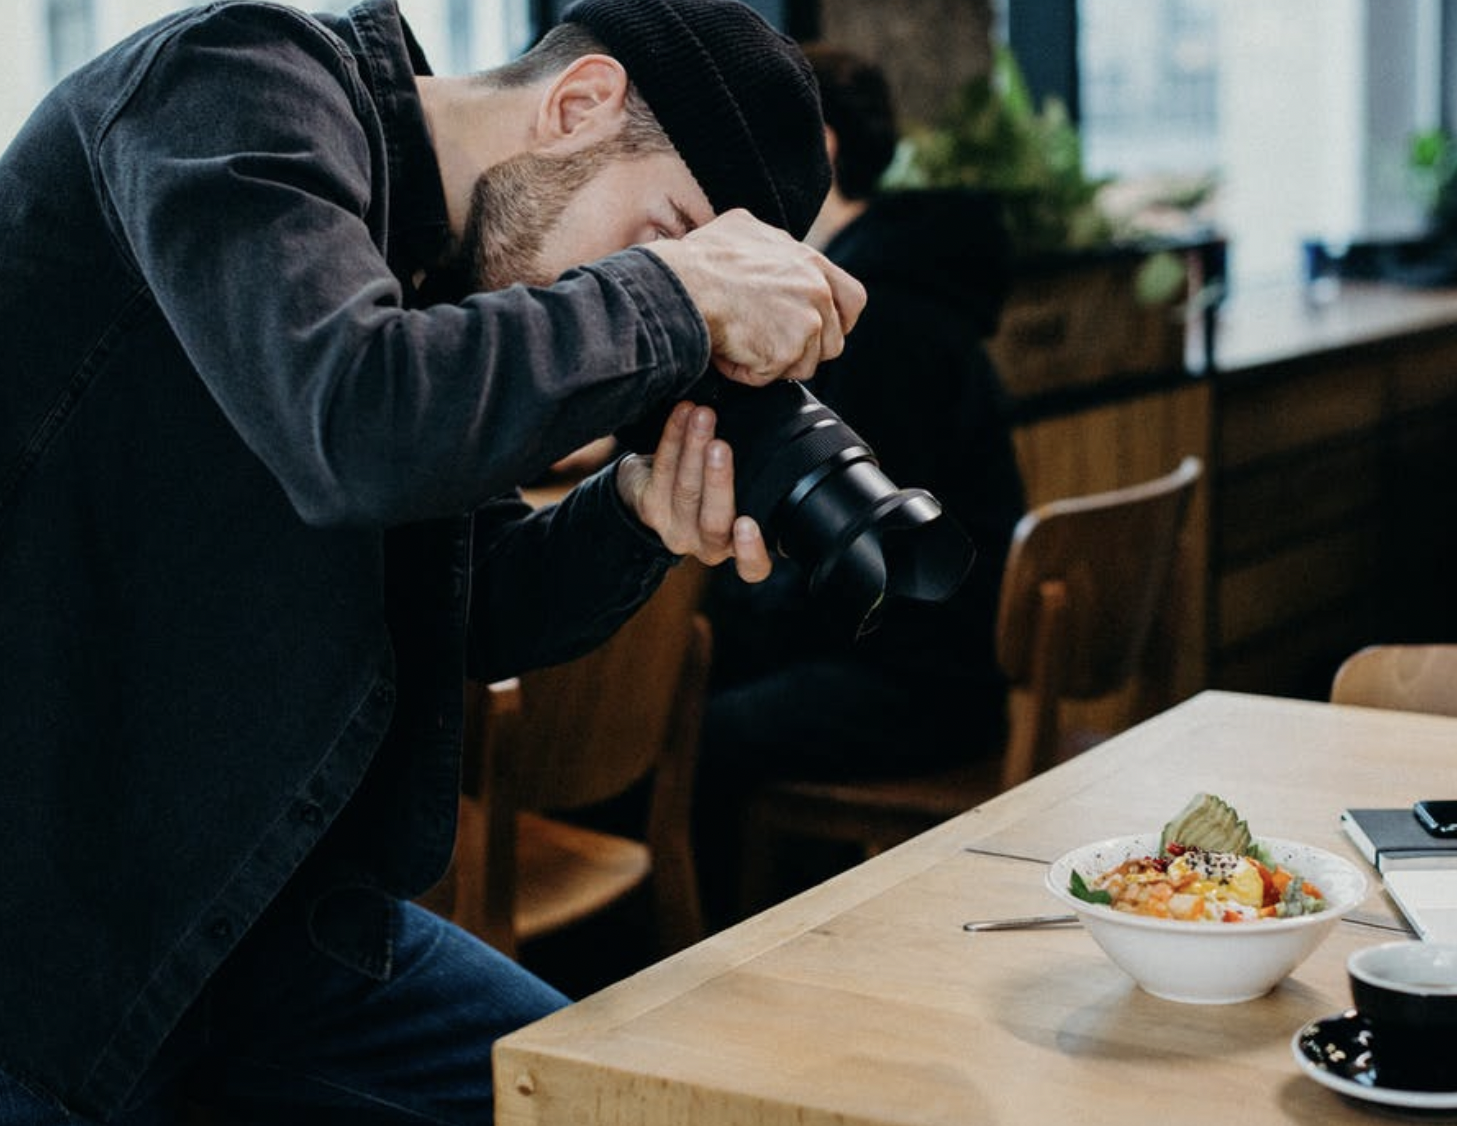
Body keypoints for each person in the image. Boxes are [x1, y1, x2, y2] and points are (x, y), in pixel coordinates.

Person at [0, 1, 864, 1122]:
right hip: (46, 946)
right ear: (578, 105)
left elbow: (478, 602)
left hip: (256, 929)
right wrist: (681, 293)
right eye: (664, 229)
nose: (656, 278)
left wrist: (632, 515)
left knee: (617, 1104)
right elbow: (351, 423)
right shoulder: (230, 83)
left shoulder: (433, 272)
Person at [696, 43, 1027, 920]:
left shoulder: (875, 321)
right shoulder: (906, 283)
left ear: (824, 152)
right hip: (943, 664)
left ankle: (690, 979)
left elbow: (868, 571)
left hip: (917, 687)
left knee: (675, 735)